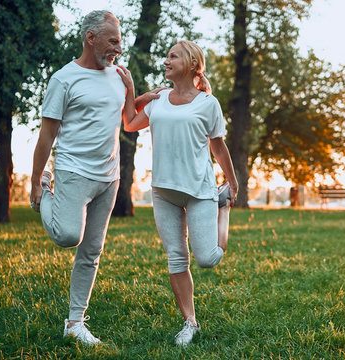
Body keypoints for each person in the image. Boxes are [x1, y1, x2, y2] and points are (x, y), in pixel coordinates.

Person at [30, 10, 159, 346]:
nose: (119, 46)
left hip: (109, 177)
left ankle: (75, 323)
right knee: (68, 235)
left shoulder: (120, 76)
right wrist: (34, 181)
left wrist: (146, 98)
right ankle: (45, 192)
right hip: (73, 171)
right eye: (113, 40)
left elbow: (128, 120)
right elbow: (46, 136)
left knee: (92, 251)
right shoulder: (63, 79)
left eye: (119, 39)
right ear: (91, 38)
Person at [116, 39, 238, 346]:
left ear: (193, 65)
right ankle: (190, 322)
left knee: (207, 259)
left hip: (199, 190)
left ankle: (222, 210)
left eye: (174, 56)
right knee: (176, 258)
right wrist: (137, 92)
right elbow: (130, 122)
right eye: (166, 55)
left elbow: (218, 145)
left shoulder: (208, 103)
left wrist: (232, 182)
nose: (166, 60)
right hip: (164, 191)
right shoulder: (158, 100)